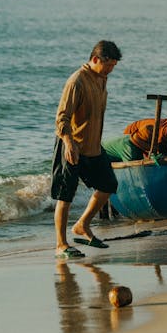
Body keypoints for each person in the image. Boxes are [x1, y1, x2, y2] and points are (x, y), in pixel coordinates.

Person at [51, 40, 122, 259]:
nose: (111, 70)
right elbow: (61, 117)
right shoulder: (76, 82)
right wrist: (69, 143)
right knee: (65, 195)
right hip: (71, 145)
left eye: (113, 66)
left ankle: (82, 225)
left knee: (109, 183)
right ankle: (61, 245)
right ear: (95, 60)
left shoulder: (101, 79)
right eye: (108, 65)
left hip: (92, 147)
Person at [102, 113, 167, 162]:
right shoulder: (158, 134)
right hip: (131, 137)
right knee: (135, 159)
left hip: (145, 139)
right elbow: (164, 155)